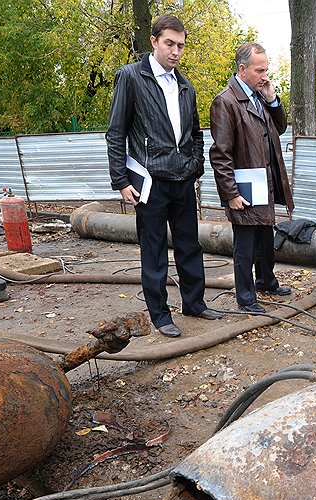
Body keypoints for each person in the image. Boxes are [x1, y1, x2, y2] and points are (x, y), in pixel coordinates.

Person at [105, 14, 222, 338]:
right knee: (153, 251)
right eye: (169, 43)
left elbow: (196, 134)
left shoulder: (185, 86)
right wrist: (122, 180)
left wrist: (195, 165)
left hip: (182, 179)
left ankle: (194, 303)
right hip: (150, 180)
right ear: (154, 41)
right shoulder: (130, 77)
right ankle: (160, 314)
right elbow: (116, 133)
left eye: (181, 45)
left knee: (189, 245)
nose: (175, 51)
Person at [209, 42, 293, 314]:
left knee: (265, 236)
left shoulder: (258, 95)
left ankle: (266, 281)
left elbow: (279, 127)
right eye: (260, 71)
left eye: (266, 70)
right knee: (245, 244)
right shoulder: (226, 101)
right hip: (245, 184)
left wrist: (272, 98)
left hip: (263, 180)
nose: (265, 76)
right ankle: (246, 297)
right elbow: (221, 153)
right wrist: (231, 193)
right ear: (242, 69)